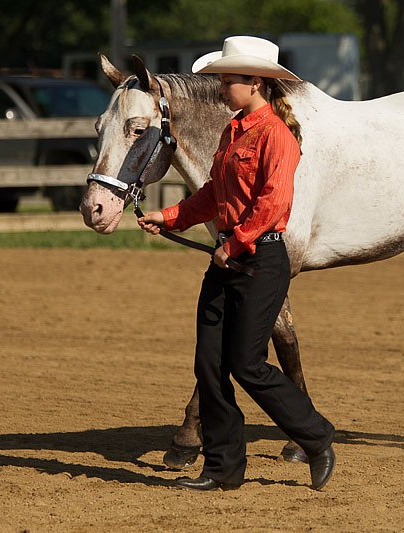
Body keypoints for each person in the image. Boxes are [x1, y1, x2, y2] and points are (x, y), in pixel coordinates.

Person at [138, 36, 336, 491]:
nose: (223, 88)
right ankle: (223, 468)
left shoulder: (278, 136)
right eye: (224, 79)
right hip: (228, 258)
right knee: (209, 365)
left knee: (248, 365)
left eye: (231, 80)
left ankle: (317, 435)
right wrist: (169, 216)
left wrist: (237, 242)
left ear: (257, 84)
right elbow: (212, 194)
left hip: (262, 258)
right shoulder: (232, 132)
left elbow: (274, 202)